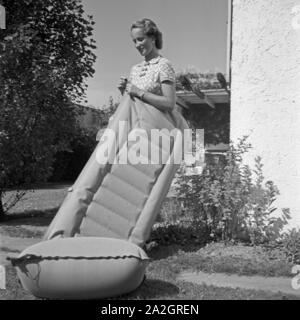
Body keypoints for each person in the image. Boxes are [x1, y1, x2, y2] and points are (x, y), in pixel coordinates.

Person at [118, 18, 176, 113]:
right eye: (134, 41)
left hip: (157, 123)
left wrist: (139, 92)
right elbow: (131, 103)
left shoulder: (163, 64)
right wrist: (124, 91)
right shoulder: (135, 69)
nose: (137, 45)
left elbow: (170, 104)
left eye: (140, 39)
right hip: (135, 121)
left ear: (153, 38)